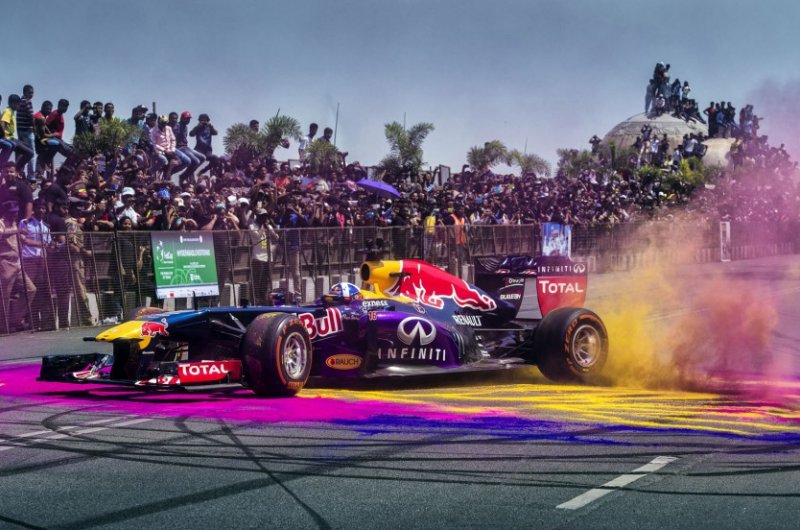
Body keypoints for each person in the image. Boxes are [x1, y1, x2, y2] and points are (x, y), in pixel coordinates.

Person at [19, 199, 55, 330]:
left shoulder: (46, 226)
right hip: (29, 260)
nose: (41, 210)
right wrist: (41, 244)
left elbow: (48, 243)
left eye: (43, 208)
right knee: (30, 292)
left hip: (42, 261)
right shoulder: (25, 223)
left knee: (42, 292)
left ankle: (44, 324)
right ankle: (31, 322)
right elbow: (23, 239)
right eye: (39, 208)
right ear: (34, 209)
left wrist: (53, 246)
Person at [0, 200, 35, 333]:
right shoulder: (2, 223)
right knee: (4, 295)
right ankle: (3, 327)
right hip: (5, 262)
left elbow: (23, 240)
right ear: (5, 212)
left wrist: (42, 244)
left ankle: (13, 320)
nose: (14, 214)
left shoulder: (14, 224)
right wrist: (17, 230)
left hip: (17, 263)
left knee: (31, 289)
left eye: (15, 212)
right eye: (12, 212)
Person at [64, 200, 94, 327]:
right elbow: (72, 243)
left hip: (78, 259)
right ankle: (87, 319)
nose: (79, 212)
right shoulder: (72, 223)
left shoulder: (77, 222)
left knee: (81, 289)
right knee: (81, 290)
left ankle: (84, 318)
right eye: (77, 210)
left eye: (81, 210)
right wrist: (84, 251)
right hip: (75, 259)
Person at [0, 95, 35, 173]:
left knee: (27, 146)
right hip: (8, 138)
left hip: (11, 138)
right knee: (30, 153)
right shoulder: (8, 111)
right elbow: (2, 122)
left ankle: (15, 169)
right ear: (13, 103)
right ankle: (15, 169)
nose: (19, 106)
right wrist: (3, 136)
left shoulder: (11, 112)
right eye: (18, 104)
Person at [173, 111, 206, 182]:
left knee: (203, 157)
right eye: (186, 118)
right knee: (196, 161)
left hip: (185, 147)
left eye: (188, 119)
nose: (188, 120)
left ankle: (188, 173)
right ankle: (183, 177)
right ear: (181, 118)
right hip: (179, 148)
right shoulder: (176, 126)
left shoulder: (185, 127)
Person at [16, 85, 35, 180]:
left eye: (32, 93)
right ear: (25, 92)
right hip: (27, 130)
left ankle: (19, 172)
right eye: (30, 92)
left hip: (20, 130)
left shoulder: (19, 101)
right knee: (32, 153)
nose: (32, 95)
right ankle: (31, 176)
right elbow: (31, 116)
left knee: (22, 152)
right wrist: (35, 128)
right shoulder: (27, 101)